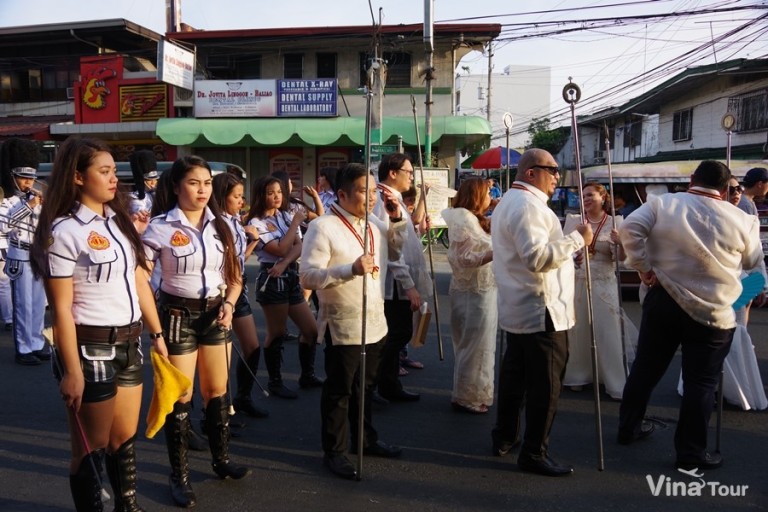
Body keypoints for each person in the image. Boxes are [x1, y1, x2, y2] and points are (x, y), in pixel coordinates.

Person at [30, 137, 166, 512]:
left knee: (124, 438)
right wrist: (72, 371)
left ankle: (128, 506)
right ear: (77, 177)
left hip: (130, 343)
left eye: (113, 171)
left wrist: (157, 333)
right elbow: (60, 309)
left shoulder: (118, 222)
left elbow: (138, 281)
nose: (113, 179)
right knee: (91, 448)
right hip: (91, 348)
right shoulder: (63, 231)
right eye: (103, 172)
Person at [617, 160, 765, 470]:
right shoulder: (743, 219)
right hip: (714, 311)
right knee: (701, 383)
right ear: (724, 190)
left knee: (645, 368)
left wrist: (643, 267)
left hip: (665, 298)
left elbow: (629, 228)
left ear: (692, 179)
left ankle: (628, 427)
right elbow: (753, 263)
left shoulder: (663, 204)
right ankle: (690, 452)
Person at [142, 156, 250, 508]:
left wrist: (230, 304)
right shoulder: (159, 227)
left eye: (207, 183)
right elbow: (140, 280)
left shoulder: (223, 225)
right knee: (181, 396)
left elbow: (235, 276)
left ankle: (221, 460)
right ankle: (180, 476)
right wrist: (155, 331)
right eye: (193, 183)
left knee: (217, 391)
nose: (202, 190)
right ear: (176, 187)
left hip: (216, 315)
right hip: (177, 316)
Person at [299, 163, 407, 480]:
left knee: (366, 388)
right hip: (343, 324)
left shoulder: (374, 224)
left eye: (373, 191)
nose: (371, 197)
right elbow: (307, 276)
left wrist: (396, 218)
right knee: (340, 390)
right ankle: (335, 450)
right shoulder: (323, 226)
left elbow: (396, 251)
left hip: (375, 321)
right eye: (364, 191)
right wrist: (350, 270)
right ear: (342, 194)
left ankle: (366, 439)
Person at [491, 148, 592, 477]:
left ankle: (505, 436)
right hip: (541, 308)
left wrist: (568, 252)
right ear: (531, 172)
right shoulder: (527, 205)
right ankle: (534, 452)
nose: (557, 176)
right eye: (552, 169)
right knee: (545, 386)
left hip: (522, 305)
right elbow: (536, 258)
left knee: (515, 379)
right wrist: (577, 240)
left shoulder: (513, 201)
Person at [245, 176, 321, 399]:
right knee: (277, 332)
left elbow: (299, 245)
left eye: (279, 192)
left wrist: (285, 262)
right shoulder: (257, 222)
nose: (277, 196)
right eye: (271, 193)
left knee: (311, 330)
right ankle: (275, 381)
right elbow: (279, 248)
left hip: (289, 274)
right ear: (261, 195)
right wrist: (295, 225)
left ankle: (307, 375)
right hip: (271, 278)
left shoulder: (284, 215)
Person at [562, 182, 638, 400]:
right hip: (578, 280)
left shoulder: (616, 222)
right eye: (583, 195)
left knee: (607, 330)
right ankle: (578, 374)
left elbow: (621, 259)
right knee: (578, 330)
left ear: (603, 198)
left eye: (590, 195)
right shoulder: (574, 221)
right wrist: (574, 256)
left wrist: (619, 244)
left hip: (604, 282)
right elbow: (564, 250)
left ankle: (612, 379)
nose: (586, 199)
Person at [373, 153, 431, 402]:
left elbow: (403, 239)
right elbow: (389, 247)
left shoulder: (394, 197)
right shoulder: (383, 200)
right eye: (409, 172)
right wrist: (408, 285)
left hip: (402, 279)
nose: (411, 178)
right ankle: (378, 384)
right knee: (396, 333)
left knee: (400, 333)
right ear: (393, 173)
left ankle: (389, 383)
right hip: (394, 283)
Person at [212, 172, 269, 419]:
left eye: (242, 196)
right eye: (236, 196)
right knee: (219, 358)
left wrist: (253, 241)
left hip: (239, 290)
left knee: (252, 346)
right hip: (219, 293)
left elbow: (240, 260)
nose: (241, 201)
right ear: (221, 197)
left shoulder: (236, 222)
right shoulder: (213, 224)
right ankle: (217, 413)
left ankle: (243, 398)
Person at [441, 177, 496, 414]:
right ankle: (467, 397)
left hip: (480, 290)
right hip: (473, 293)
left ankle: (472, 393)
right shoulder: (463, 218)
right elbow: (463, 258)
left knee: (478, 346)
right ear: (476, 195)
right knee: (474, 346)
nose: (490, 198)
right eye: (487, 194)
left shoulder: (472, 218)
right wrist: (497, 251)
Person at [0, 137, 47, 365]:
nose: (28, 182)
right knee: (23, 305)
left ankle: (36, 343)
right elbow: (4, 226)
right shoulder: (7, 201)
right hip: (19, 254)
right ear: (13, 177)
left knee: (38, 304)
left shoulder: (38, 197)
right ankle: (24, 348)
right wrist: (29, 206)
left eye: (31, 177)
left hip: (38, 253)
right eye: (23, 177)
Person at [128, 149, 159, 218]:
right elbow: (142, 214)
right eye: (149, 180)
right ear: (141, 180)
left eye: (155, 179)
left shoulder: (155, 194)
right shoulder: (134, 198)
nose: (153, 182)